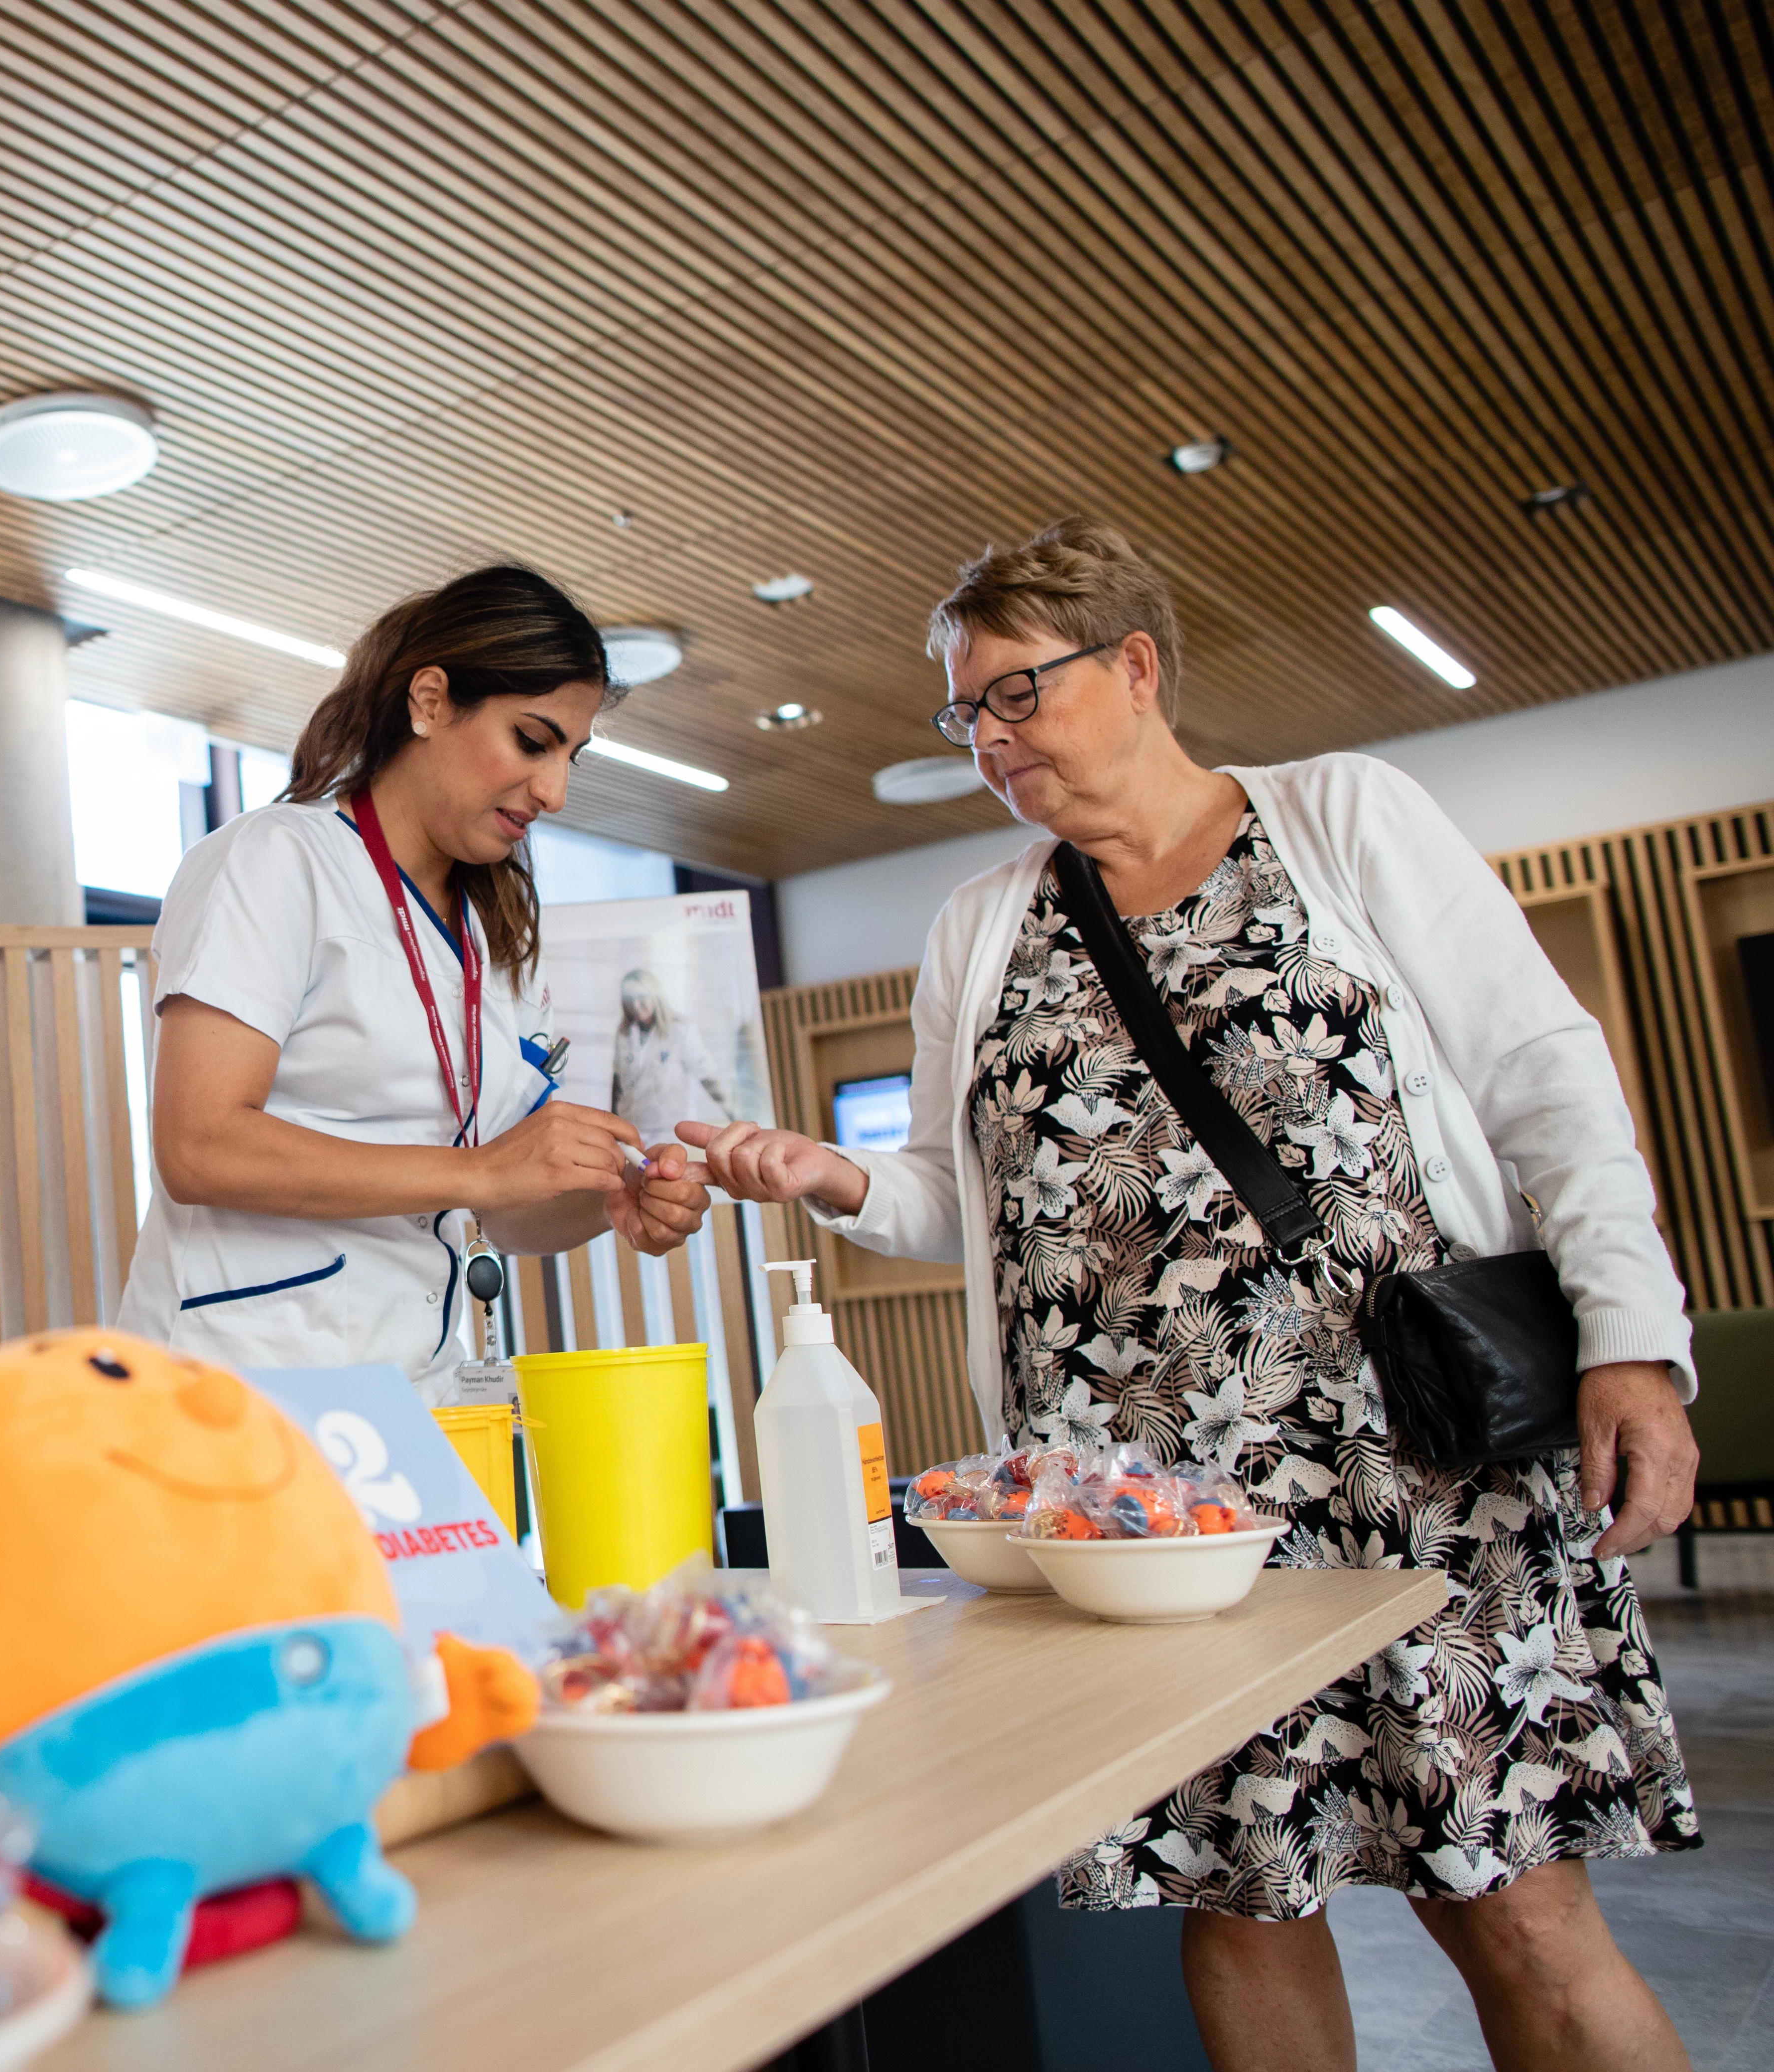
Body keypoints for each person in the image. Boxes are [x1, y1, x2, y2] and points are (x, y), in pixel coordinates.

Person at [687, 518, 1700, 2072]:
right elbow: (969, 1211)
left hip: (1410, 1460)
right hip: (1137, 1513)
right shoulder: (984, 922)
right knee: (1231, 1900)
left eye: (1014, 696)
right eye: (968, 715)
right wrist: (832, 1179)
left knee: (1511, 1903)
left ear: (1136, 665)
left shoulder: (1340, 819)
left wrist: (1630, 1340)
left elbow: (1544, 1080)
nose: (991, 741)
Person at [118, 565, 711, 1397]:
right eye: (533, 741)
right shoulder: (275, 861)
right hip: (240, 1381)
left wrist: (612, 1197)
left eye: (571, 756)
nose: (556, 790)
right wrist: (479, 1173)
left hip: (410, 1392)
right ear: (430, 701)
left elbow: (506, 1208)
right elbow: (199, 1145)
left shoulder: (486, 934)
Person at [607, 967, 733, 1143]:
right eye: (630, 1000)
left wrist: (733, 1115)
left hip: (670, 1130)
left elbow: (707, 1076)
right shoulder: (624, 1034)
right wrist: (613, 1126)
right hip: (633, 1128)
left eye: (642, 997)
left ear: (655, 996)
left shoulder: (681, 1030)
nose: (636, 1006)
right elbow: (618, 1081)